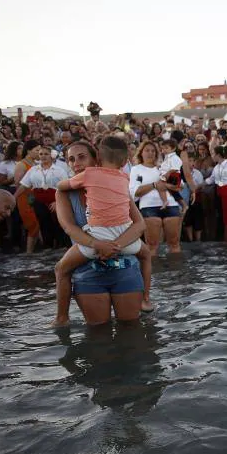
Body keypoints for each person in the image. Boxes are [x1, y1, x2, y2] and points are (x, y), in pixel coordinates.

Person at [53, 137, 154, 326]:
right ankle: (61, 318)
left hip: (125, 269)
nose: (76, 164)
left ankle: (61, 317)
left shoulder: (114, 183)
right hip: (88, 273)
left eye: (81, 157)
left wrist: (113, 247)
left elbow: (139, 224)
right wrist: (97, 244)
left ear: (96, 159)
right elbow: (69, 228)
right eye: (71, 159)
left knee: (131, 330)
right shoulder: (64, 193)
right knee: (98, 333)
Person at [14, 145, 70, 251]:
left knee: (58, 223)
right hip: (39, 201)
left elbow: (65, 188)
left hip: (55, 200)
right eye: (41, 154)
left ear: (51, 156)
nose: (43, 156)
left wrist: (57, 202)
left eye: (46, 154)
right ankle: (48, 246)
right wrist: (14, 197)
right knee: (43, 223)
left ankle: (62, 246)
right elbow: (24, 185)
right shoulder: (33, 170)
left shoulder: (59, 170)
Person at [130, 141, 182, 254]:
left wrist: (170, 184)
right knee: (152, 245)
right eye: (147, 150)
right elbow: (135, 193)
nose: (150, 153)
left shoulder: (163, 167)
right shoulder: (136, 169)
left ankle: (178, 270)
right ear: (141, 153)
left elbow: (178, 186)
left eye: (153, 151)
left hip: (171, 205)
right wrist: (154, 185)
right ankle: (154, 271)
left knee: (174, 243)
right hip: (149, 207)